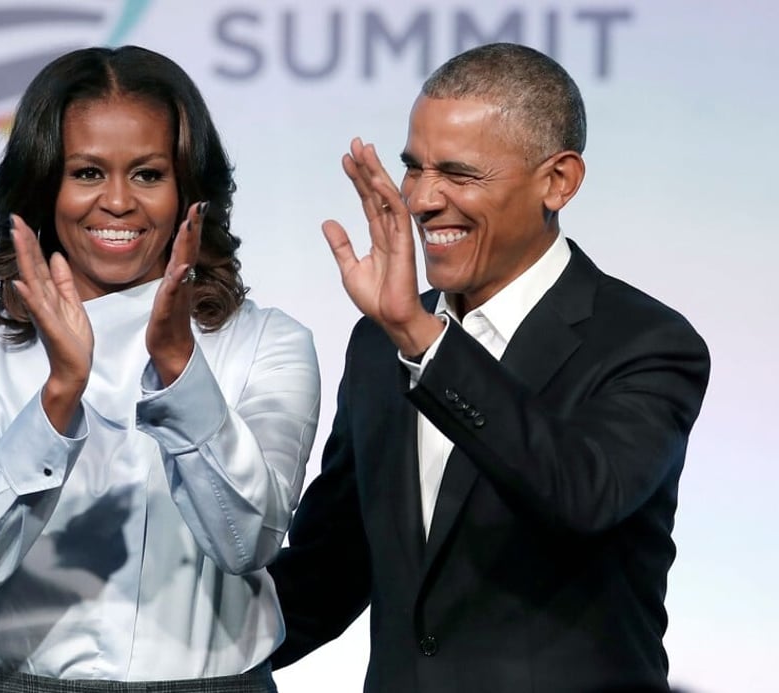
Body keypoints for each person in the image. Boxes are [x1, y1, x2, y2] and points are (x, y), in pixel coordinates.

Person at [267, 42, 710, 692]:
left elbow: (580, 495)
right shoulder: (378, 344)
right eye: (413, 168)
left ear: (557, 180)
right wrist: (155, 659)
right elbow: (327, 572)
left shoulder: (645, 342)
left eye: (460, 174)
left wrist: (423, 339)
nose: (420, 200)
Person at [0, 45, 320, 693]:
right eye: (87, 173)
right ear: (45, 185)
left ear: (190, 188)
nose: (119, 202)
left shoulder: (269, 342)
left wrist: (180, 364)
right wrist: (58, 397)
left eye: (149, 174)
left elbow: (248, 544)